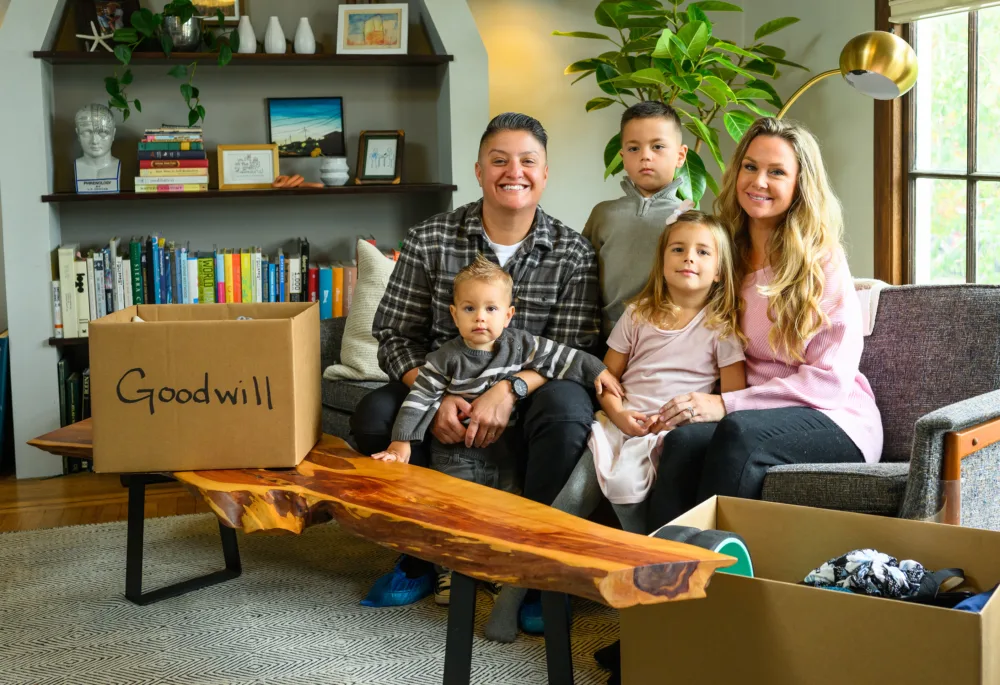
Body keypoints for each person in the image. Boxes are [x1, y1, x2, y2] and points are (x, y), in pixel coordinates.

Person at [596, 116, 885, 685]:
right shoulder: (721, 245)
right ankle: (655, 620)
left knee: (733, 434)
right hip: (746, 409)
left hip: (831, 415)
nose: (760, 180)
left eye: (777, 171)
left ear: (801, 183)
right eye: (750, 166)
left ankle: (702, 621)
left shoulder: (821, 260)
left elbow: (828, 380)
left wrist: (725, 406)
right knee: (678, 443)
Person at [352, 112, 602, 608]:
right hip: (440, 378)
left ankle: (536, 570)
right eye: (499, 160)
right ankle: (423, 554)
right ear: (479, 170)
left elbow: (572, 349)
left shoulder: (573, 252)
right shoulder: (430, 238)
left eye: (528, 161)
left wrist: (509, 391)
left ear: (545, 173)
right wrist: (437, 395)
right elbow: (393, 336)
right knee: (375, 416)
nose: (515, 171)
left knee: (570, 414)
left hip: (532, 391)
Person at [483, 210, 746, 642]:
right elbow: (606, 379)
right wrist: (620, 415)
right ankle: (510, 598)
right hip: (616, 426)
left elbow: (729, 401)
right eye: (678, 249)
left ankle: (647, 603)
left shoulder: (722, 328)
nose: (689, 259)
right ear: (662, 260)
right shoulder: (639, 314)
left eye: (703, 252)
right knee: (564, 506)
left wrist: (682, 419)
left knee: (628, 501)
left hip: (665, 437)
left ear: (720, 270)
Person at [372, 254, 617, 604]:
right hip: (455, 454)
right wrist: (401, 444)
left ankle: (499, 572)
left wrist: (599, 373)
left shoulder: (520, 345)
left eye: (490, 309)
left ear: (508, 314)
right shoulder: (445, 358)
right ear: (454, 314)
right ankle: (450, 573)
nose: (480, 318)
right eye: (469, 309)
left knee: (504, 514)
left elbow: (568, 357)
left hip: (504, 453)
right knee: (453, 515)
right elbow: (419, 400)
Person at [583, 101, 695, 339]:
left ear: (680, 155)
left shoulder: (691, 220)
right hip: (603, 339)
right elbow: (583, 277)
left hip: (664, 340)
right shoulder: (603, 214)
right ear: (623, 157)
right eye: (634, 149)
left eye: (657, 146)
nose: (645, 156)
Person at [74, 103, 121, 185]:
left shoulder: (125, 168)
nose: (94, 141)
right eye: (87, 132)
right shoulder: (68, 169)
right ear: (78, 134)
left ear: (113, 134)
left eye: (103, 132)